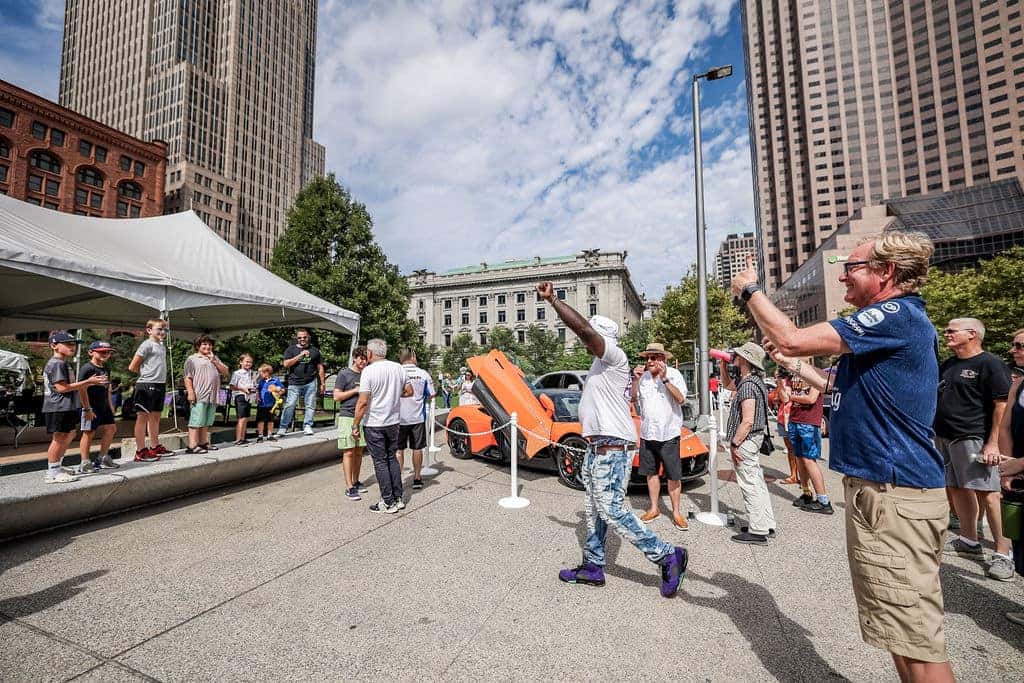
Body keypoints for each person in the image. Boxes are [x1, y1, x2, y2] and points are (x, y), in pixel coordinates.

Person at [736, 233, 954, 681]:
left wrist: (749, 290)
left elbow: (793, 338)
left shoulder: (894, 314)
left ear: (885, 272)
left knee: (917, 642)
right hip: (882, 492)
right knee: (899, 632)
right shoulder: (884, 330)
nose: (842, 275)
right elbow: (836, 388)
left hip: (895, 494)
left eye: (852, 267)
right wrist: (795, 364)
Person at [537, 282, 686, 598]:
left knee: (612, 508)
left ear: (600, 338)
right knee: (594, 509)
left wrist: (553, 300)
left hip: (611, 448)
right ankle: (593, 566)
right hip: (598, 447)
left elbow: (585, 333)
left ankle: (667, 555)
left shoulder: (613, 356)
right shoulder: (601, 365)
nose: (586, 341)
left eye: (591, 337)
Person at [935, 318, 1013, 580]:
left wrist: (992, 443)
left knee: (988, 493)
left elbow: (1001, 406)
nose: (946, 334)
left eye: (951, 331)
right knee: (957, 488)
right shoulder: (949, 364)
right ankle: (969, 541)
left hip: (974, 437)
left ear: (972, 334)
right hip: (946, 437)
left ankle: (1003, 553)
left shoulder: (990, 364)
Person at [719, 343, 777, 544]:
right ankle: (765, 523)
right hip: (753, 439)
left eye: (738, 354)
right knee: (757, 482)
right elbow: (727, 385)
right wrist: (722, 366)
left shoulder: (749, 385)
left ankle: (758, 530)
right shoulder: (751, 380)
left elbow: (748, 420)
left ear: (745, 359)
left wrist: (735, 444)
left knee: (749, 483)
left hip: (747, 439)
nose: (734, 356)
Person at [631, 342, 689, 530]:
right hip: (648, 433)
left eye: (654, 357)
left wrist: (665, 380)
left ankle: (676, 513)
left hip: (669, 433)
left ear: (663, 359)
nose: (649, 361)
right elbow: (632, 399)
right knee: (651, 473)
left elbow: (681, 399)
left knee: (673, 475)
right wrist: (635, 380)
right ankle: (654, 508)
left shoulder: (674, 375)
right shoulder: (644, 378)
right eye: (647, 358)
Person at [351, 339, 413, 513]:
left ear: (370, 353)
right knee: (391, 458)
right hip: (393, 421)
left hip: (375, 423)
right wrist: (392, 394)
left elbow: (363, 402)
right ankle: (398, 497)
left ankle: (387, 501)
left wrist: (355, 424)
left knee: (380, 462)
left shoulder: (369, 371)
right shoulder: (398, 368)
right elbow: (409, 392)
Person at [41, 332, 107, 484]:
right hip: (57, 406)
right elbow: (62, 388)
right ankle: (52, 472)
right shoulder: (57, 363)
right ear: (54, 346)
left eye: (73, 344)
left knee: (69, 434)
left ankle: (58, 465)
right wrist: (88, 382)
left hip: (66, 406)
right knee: (59, 438)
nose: (72, 347)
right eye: (68, 344)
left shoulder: (63, 363)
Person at [997, 328, 1024, 624]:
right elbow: (1005, 426)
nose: (1014, 350)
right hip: (1016, 471)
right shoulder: (1019, 384)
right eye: (1014, 345)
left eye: (1020, 345)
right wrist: (1008, 465)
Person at [786, 365, 832, 514]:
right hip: (794, 419)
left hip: (809, 423)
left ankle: (823, 501)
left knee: (809, 459)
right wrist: (781, 382)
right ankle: (806, 493)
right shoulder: (791, 373)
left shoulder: (815, 374)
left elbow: (811, 398)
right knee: (799, 457)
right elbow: (782, 396)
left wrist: (791, 397)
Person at [128, 319, 170, 462]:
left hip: (160, 384)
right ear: (149, 330)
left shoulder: (161, 346)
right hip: (146, 385)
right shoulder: (146, 345)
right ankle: (140, 451)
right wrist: (147, 375)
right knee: (142, 418)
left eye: (165, 329)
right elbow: (133, 366)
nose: (163, 332)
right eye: (159, 329)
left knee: (156, 417)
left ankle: (154, 446)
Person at [77, 341, 119, 472]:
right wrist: (87, 408)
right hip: (90, 405)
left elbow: (107, 388)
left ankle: (102, 457)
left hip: (104, 405)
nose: (105, 354)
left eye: (107, 352)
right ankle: (84, 462)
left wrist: (110, 405)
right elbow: (81, 389)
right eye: (101, 352)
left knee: (111, 428)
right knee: (89, 432)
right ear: (91, 352)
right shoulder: (87, 368)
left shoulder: (106, 368)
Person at [334, 346, 369, 500]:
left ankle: (355, 481)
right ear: (354, 358)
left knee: (359, 451)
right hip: (347, 416)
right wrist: (354, 391)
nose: (363, 362)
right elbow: (336, 396)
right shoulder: (344, 374)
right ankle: (349, 486)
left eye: (365, 359)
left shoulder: (367, 374)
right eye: (360, 358)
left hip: (363, 416)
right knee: (348, 451)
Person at [183, 335, 228, 454]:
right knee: (196, 419)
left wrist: (214, 361)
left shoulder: (214, 358)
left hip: (212, 395)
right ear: (198, 346)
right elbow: (187, 377)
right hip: (199, 393)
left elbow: (226, 372)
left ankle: (203, 443)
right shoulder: (192, 359)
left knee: (206, 420)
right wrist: (191, 392)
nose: (207, 346)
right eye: (204, 344)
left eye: (209, 344)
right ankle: (192, 445)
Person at [397, 349, 436, 490]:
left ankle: (398, 479)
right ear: (412, 357)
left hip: (398, 418)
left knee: (398, 450)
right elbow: (432, 394)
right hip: (417, 417)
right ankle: (417, 478)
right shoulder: (423, 373)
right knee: (417, 448)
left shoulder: (396, 372)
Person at [278, 329, 325, 436]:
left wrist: (322, 383)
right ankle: (283, 426)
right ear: (297, 338)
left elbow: (320, 367)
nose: (302, 339)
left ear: (308, 337)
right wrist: (300, 355)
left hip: (310, 382)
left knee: (310, 405)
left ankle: (307, 425)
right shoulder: (291, 350)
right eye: (300, 337)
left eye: (304, 337)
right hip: (294, 382)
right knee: (290, 404)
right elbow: (286, 364)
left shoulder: (315, 351)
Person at [770, 370, 800, 485]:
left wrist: (779, 383)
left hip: (794, 416)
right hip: (784, 417)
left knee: (798, 449)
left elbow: (786, 398)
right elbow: (779, 398)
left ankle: (803, 477)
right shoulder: (782, 381)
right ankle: (794, 475)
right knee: (790, 449)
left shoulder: (797, 379)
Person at [229, 354, 258, 446]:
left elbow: (254, 384)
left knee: (246, 418)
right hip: (240, 396)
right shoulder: (237, 373)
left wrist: (255, 392)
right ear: (241, 362)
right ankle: (238, 439)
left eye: (250, 362)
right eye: (247, 361)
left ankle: (243, 438)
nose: (249, 364)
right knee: (241, 418)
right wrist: (242, 389)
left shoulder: (252, 373)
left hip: (249, 397)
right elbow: (232, 386)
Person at [255, 364, 284, 442]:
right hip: (261, 404)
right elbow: (257, 390)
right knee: (261, 420)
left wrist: (277, 389)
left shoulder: (275, 380)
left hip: (271, 405)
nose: (260, 374)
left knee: (270, 420)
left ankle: (270, 435)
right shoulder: (261, 381)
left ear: (267, 372)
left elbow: (282, 390)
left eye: (261, 373)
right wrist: (257, 397)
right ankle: (260, 436)